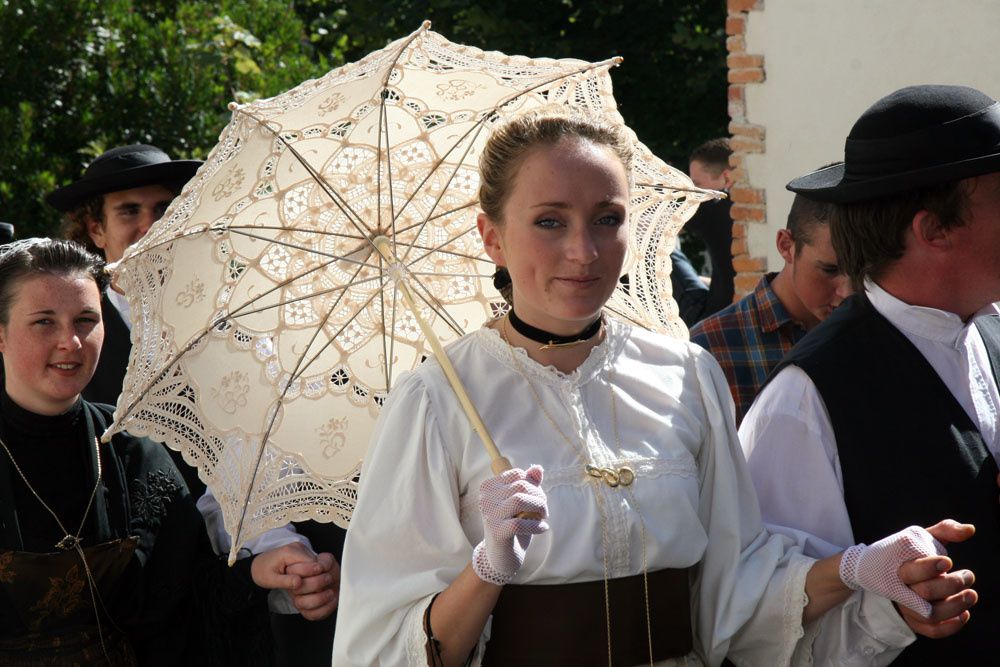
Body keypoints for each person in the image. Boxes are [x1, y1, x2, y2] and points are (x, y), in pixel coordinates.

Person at [331, 111, 974, 666]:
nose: (584, 251)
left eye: (607, 218)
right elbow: (380, 644)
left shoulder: (685, 375)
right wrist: (487, 570)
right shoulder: (436, 400)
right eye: (550, 221)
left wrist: (860, 568)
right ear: (492, 237)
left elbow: (735, 587)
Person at [48, 145, 341, 663]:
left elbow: (246, 455)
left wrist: (279, 548)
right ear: (96, 230)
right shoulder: (73, 336)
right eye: (129, 211)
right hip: (128, 595)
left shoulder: (235, 321)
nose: (149, 225)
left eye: (163, 209)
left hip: (241, 583)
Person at [740, 84, 1000, 664]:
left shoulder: (992, 330)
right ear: (934, 230)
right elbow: (771, 635)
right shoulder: (806, 399)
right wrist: (892, 609)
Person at [690, 192, 852, 424]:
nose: (847, 290)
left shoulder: (873, 332)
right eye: (830, 270)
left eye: (861, 271)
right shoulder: (708, 349)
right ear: (786, 246)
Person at [684, 138, 735, 320]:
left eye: (697, 185)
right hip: (726, 307)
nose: (693, 193)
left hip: (713, 316)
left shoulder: (711, 208)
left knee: (672, 253)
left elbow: (657, 223)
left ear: (727, 178)